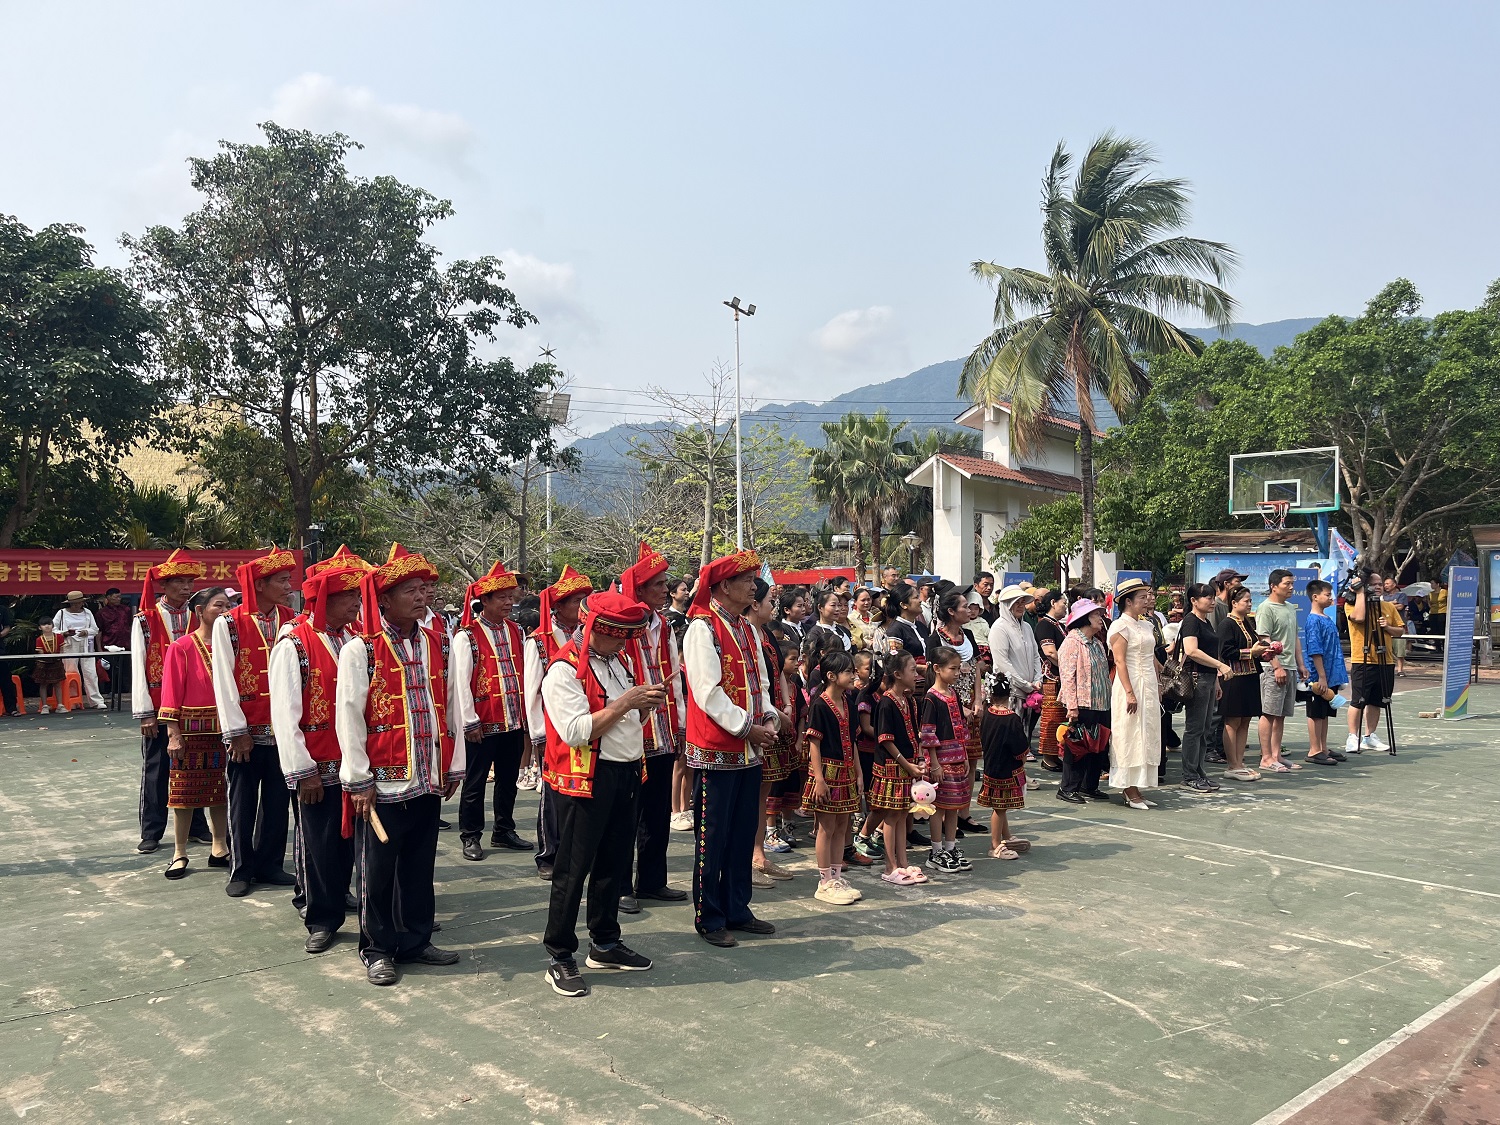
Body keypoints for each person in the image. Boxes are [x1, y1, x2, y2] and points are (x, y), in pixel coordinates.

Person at [336, 543, 463, 987]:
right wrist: (358, 779)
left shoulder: (438, 642)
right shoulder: (362, 649)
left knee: (418, 867)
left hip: (426, 776)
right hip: (383, 782)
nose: (421, 596)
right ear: (385, 599)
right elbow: (349, 716)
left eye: (424, 589)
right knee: (377, 871)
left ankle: (415, 940)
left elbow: (451, 702)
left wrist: (453, 764)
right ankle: (377, 949)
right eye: (410, 590)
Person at [539, 591, 664, 997]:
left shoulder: (615, 660)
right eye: (618, 636)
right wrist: (627, 701)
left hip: (625, 772)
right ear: (595, 628)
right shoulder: (563, 670)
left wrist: (643, 705)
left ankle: (605, 942)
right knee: (572, 869)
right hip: (587, 779)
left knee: (615, 861)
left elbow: (624, 721)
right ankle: (559, 954)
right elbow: (576, 731)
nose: (625, 643)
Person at [269, 545, 370, 953]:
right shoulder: (294, 644)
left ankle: (345, 896)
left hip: (355, 762)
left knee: (352, 841)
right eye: (348, 596)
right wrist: (302, 770)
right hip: (318, 763)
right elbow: (284, 713)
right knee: (320, 843)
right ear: (324, 598)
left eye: (358, 595)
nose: (356, 603)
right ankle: (322, 918)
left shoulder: (357, 639)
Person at [682, 550, 780, 948]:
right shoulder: (702, 628)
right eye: (747, 580)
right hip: (717, 751)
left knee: (742, 834)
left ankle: (738, 908)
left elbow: (760, 684)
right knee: (713, 837)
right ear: (724, 585)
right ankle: (709, 917)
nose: (754, 587)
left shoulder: (747, 628)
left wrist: (768, 718)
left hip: (749, 750)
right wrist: (747, 728)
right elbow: (707, 693)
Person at [212, 548, 299, 897]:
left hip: (285, 731)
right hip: (247, 731)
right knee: (242, 802)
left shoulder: (292, 619)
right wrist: (236, 732)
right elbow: (223, 679)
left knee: (278, 801)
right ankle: (241, 868)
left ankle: (270, 864)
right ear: (260, 584)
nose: (289, 586)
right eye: (282, 580)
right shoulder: (229, 623)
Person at [618, 541, 689, 910]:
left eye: (665, 583)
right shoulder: (621, 625)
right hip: (629, 735)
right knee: (625, 815)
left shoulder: (664, 626)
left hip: (662, 731)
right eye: (659, 584)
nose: (666, 589)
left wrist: (680, 726)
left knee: (658, 812)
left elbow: (674, 678)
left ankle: (651, 881)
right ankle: (619, 887)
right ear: (640, 589)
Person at [451, 561, 533, 863]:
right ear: (484, 600)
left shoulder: (516, 631)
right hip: (482, 723)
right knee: (475, 782)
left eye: (511, 596)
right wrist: (469, 720)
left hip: (512, 719)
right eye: (502, 597)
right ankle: (470, 834)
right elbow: (461, 682)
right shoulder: (467, 636)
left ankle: (504, 829)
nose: (509, 602)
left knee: (508, 779)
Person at [132, 550, 210, 854]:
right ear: (164, 585)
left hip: (194, 706)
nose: (186, 587)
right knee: (157, 768)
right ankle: (152, 830)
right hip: (157, 705)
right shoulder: (146, 619)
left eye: (190, 582)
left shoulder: (199, 616)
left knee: (196, 765)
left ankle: (197, 826)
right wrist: (145, 713)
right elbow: (139, 665)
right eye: (179, 582)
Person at [157, 587, 233, 880]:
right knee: (183, 794)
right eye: (218, 605)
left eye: (228, 606)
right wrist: (173, 733)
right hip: (190, 731)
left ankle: (219, 846)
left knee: (220, 791)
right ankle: (179, 852)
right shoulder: (182, 646)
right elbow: (171, 690)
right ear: (200, 611)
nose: (225, 611)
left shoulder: (232, 644)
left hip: (224, 730)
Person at [526, 565, 594, 880]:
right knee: (552, 794)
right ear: (559, 605)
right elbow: (532, 692)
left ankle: (576, 854)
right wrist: (538, 734)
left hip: (584, 723)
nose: (581, 606)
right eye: (576, 600)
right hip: (553, 729)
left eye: (584, 600)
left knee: (580, 793)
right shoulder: (539, 640)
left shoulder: (589, 635)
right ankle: (549, 854)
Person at [801, 649, 864, 905]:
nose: (853, 676)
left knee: (842, 826)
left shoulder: (849, 703)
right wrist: (819, 778)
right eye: (848, 671)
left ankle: (836, 877)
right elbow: (814, 744)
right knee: (826, 828)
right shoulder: (820, 704)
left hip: (846, 771)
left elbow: (853, 742)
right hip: (826, 772)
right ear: (831, 675)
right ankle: (824, 881)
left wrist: (859, 772)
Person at [928, 591, 987, 834]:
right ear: (951, 611)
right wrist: (959, 706)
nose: (969, 610)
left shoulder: (968, 635)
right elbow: (933, 676)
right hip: (949, 707)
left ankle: (964, 812)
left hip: (971, 705)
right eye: (964, 606)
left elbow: (976, 668)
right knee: (949, 762)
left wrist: (978, 699)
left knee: (970, 761)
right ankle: (944, 814)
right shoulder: (935, 638)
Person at [869, 650, 927, 886]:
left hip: (907, 766)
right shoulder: (886, 703)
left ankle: (903, 862)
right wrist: (907, 764)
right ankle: (890, 865)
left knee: (903, 814)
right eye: (912, 670)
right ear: (897, 674)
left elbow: (914, 734)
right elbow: (886, 740)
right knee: (892, 816)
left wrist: (919, 759)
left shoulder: (909, 700)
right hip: (891, 767)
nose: (916, 674)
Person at [1107, 578, 1161, 810]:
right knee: (1129, 732)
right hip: (1129, 683)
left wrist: (1159, 682)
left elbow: (1152, 657)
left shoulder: (1146, 625)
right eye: (1142, 597)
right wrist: (1129, 692)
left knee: (1147, 732)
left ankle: (1138, 787)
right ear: (1128, 601)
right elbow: (1119, 661)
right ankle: (1127, 788)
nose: (1147, 600)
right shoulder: (1120, 626)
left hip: (1148, 683)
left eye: (1147, 596)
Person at [919, 646, 972, 872]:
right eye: (953, 668)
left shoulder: (953, 695)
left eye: (959, 668)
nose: (957, 673)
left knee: (954, 806)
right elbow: (928, 733)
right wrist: (935, 763)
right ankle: (936, 851)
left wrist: (965, 754)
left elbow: (960, 726)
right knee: (938, 807)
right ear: (937, 669)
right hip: (941, 761)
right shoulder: (931, 698)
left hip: (957, 759)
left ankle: (950, 848)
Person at [1055, 598, 1111, 803]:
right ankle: (1068, 788)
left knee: (1098, 745)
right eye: (1096, 614)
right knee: (1077, 746)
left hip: (1101, 702)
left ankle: (1090, 785)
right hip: (1082, 703)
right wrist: (1072, 707)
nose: (1101, 618)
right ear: (1085, 618)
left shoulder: (1097, 643)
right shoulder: (1072, 642)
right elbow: (1067, 677)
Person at [1177, 583, 1231, 793]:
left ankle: (1199, 772)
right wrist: (1220, 666)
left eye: (1213, 597)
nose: (1212, 601)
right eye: (1208, 597)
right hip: (1196, 678)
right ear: (1193, 600)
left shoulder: (1206, 622)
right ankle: (1189, 776)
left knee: (1204, 728)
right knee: (1194, 729)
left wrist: (1216, 680)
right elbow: (1191, 650)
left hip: (1208, 679)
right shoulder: (1190, 621)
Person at [1253, 569, 1308, 775]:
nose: (1291, 587)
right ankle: (1266, 757)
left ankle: (1277, 755)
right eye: (1287, 584)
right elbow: (1264, 641)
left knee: (1281, 714)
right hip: (1272, 668)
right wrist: (1277, 666)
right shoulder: (1266, 608)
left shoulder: (1290, 608)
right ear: (1273, 586)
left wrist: (1300, 664)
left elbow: (1294, 638)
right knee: (1269, 713)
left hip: (1290, 667)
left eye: (1292, 583)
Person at [1346, 570, 1404, 754]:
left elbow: (1400, 631)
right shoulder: (1352, 604)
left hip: (1385, 660)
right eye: (1374, 584)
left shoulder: (1388, 607)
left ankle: (1369, 736)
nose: (1378, 587)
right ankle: (1352, 736)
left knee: (1378, 701)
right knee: (1358, 700)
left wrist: (1387, 627)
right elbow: (1359, 618)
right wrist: (1360, 593)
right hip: (1363, 659)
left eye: (1380, 584)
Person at [1216, 585, 1270, 781]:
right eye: (1246, 601)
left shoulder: (1247, 622)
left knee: (1245, 720)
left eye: (1250, 601)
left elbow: (1254, 648)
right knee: (1232, 722)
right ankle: (1232, 764)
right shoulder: (1227, 624)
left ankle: (1239, 762)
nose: (1249, 604)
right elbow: (1225, 651)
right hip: (1234, 678)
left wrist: (1263, 653)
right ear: (1234, 603)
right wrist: (1251, 653)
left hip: (1250, 676)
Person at [978, 670, 1030, 859]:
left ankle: (1006, 836)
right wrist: (1022, 760)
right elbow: (1020, 747)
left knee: (1001, 806)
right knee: (999, 809)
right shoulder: (1011, 718)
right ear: (1010, 694)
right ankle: (995, 845)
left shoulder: (987, 714)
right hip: (1006, 769)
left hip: (991, 766)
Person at [1302, 580, 1349, 766]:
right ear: (1315, 597)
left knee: (1325, 712)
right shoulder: (1313, 620)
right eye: (1327, 595)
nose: (1331, 598)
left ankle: (1323, 747)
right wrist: (1321, 676)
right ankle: (1314, 750)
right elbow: (1315, 650)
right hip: (1319, 675)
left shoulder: (1326, 618)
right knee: (1316, 712)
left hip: (1331, 674)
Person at [52, 590, 107, 709]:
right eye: (74, 603)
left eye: (79, 602)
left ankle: (96, 700)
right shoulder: (61, 613)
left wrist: (86, 631)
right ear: (70, 603)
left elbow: (95, 629)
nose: (77, 605)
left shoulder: (87, 613)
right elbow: (53, 629)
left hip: (86, 643)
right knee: (71, 672)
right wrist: (64, 633)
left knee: (90, 672)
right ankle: (73, 700)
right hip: (69, 643)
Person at [800, 587, 853, 657]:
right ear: (820, 607)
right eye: (833, 605)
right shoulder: (814, 634)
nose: (837, 609)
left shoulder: (844, 630)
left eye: (839, 605)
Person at [31, 621, 66, 713]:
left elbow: (62, 650)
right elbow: (40, 652)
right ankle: (44, 706)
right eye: (44, 625)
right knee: (43, 684)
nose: (47, 626)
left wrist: (58, 657)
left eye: (49, 624)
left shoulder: (59, 637)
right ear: (40, 627)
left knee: (57, 683)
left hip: (57, 662)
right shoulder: (39, 639)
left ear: (53, 626)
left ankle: (60, 705)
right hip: (44, 663)